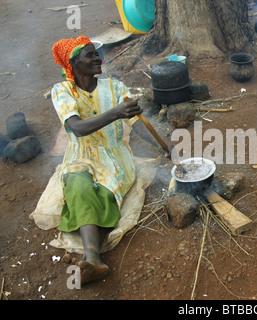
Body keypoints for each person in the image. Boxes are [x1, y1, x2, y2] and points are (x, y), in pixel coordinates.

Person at [51, 35, 165, 286]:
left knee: (104, 192)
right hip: (81, 154)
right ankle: (94, 257)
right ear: (73, 64)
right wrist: (115, 112)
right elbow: (77, 128)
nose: (97, 58)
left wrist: (164, 146)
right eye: (89, 55)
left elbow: (137, 124)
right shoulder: (62, 91)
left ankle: (92, 257)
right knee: (79, 186)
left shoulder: (114, 88)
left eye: (96, 53)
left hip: (114, 155)